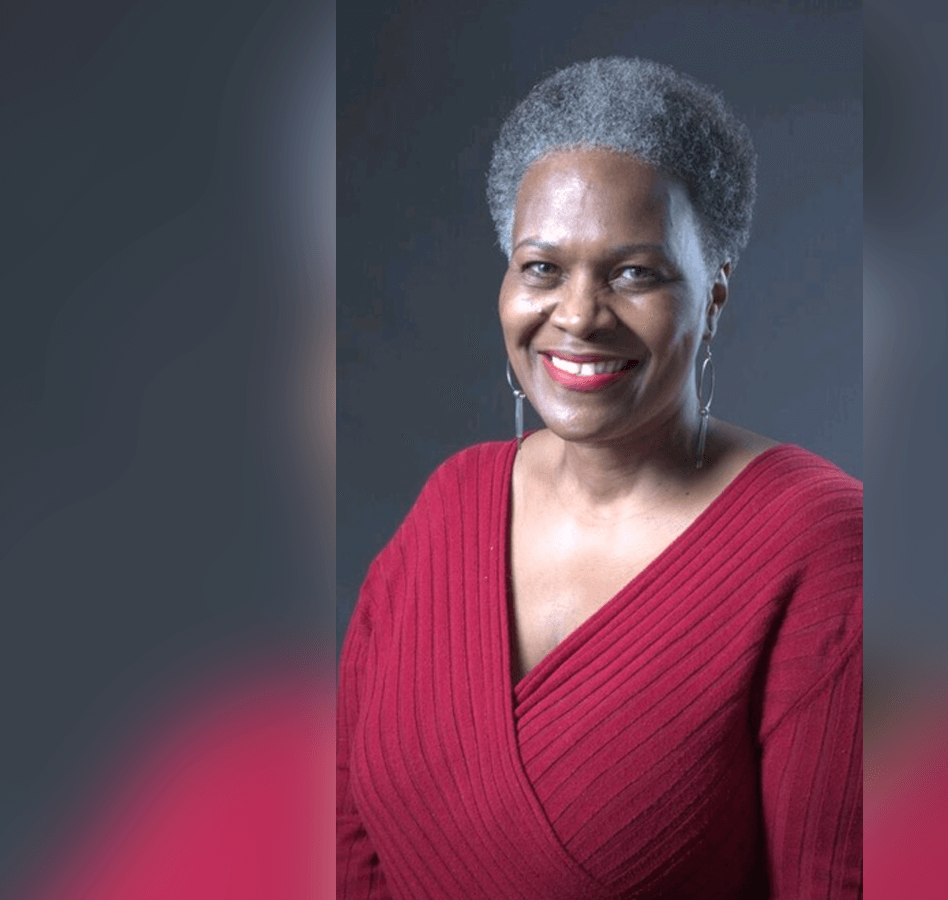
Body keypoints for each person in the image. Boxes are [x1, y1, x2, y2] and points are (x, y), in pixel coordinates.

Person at [337, 57, 862, 899]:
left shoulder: (818, 545)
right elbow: (347, 832)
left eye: (634, 273)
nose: (578, 315)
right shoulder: (451, 502)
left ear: (716, 291)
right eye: (542, 267)